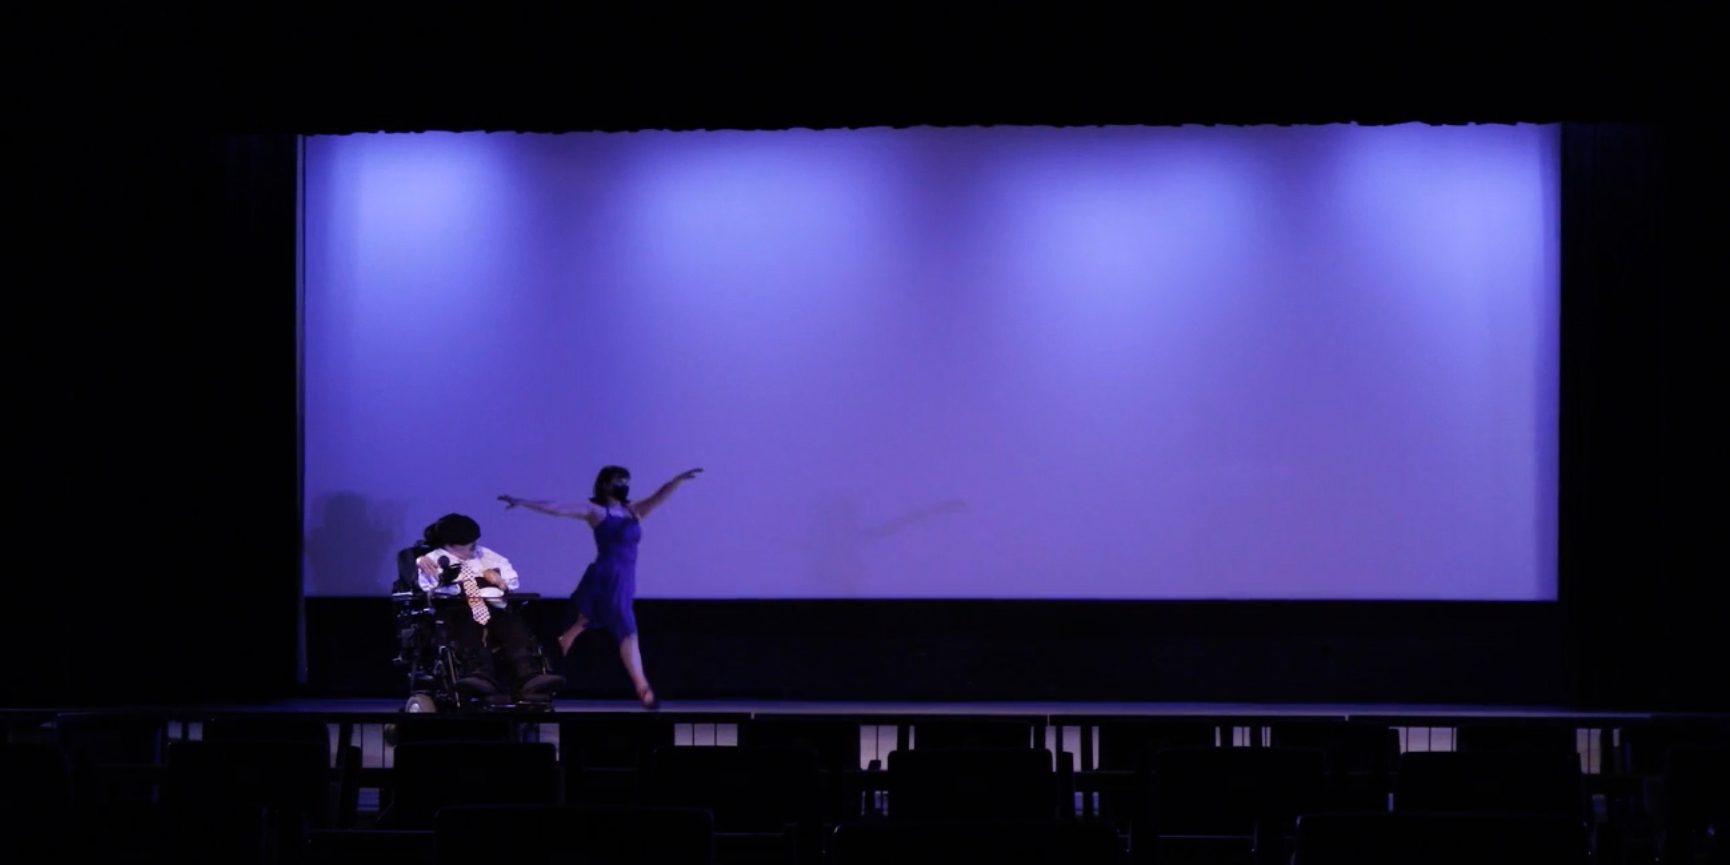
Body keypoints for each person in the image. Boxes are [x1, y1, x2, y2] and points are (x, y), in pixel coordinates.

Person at [500, 465, 702, 709]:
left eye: (626, 480)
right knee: (626, 629)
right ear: (605, 484)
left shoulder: (633, 510)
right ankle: (642, 687)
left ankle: (569, 640)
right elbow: (556, 508)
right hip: (606, 576)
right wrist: (522, 502)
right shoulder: (595, 511)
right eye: (619, 480)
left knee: (605, 622)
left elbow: (658, 498)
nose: (624, 484)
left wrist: (676, 481)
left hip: (625, 580)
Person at [413, 513, 562, 704]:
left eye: (472, 545)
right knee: (468, 621)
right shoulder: (432, 561)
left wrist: (499, 580)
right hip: (457, 610)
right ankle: (479, 674)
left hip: (493, 607)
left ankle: (530, 676)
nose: (470, 550)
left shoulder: (486, 556)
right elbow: (430, 588)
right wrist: (463, 578)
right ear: (448, 544)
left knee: (511, 623)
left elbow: (511, 581)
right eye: (465, 547)